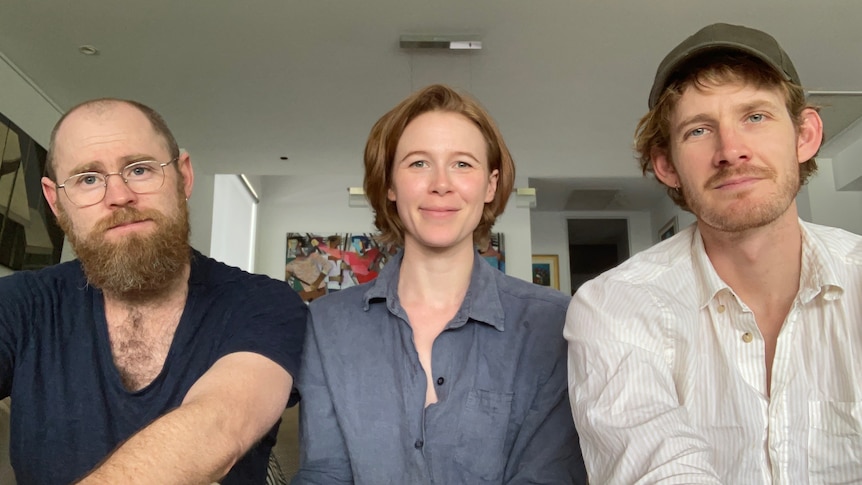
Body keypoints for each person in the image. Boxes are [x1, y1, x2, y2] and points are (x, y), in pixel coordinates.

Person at [566, 23, 862, 483]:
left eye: (756, 117)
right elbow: (657, 470)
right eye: (699, 130)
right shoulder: (614, 305)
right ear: (667, 165)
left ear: (805, 135)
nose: (731, 150)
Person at [0, 98, 307, 484]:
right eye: (88, 179)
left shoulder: (263, 303)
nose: (119, 196)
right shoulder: (20, 305)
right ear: (55, 202)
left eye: (140, 169)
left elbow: (218, 427)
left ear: (184, 176)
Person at [292, 84, 587, 484]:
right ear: (390, 184)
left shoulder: (553, 322)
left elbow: (548, 476)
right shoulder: (328, 324)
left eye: (463, 164)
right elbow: (323, 473)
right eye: (418, 164)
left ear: (490, 186)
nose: (441, 184)